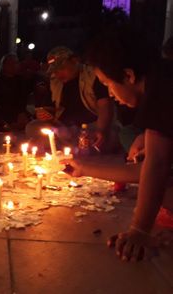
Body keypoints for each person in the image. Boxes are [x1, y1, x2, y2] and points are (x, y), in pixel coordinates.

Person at [63, 28, 173, 261]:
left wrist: (139, 231)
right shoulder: (160, 79)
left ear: (129, 76)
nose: (111, 94)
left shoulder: (163, 88)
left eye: (108, 83)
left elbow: (157, 166)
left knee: (162, 189)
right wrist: (84, 168)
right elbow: (150, 165)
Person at [26, 46, 116, 152]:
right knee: (32, 127)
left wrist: (101, 130)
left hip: (89, 126)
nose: (57, 74)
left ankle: (58, 143)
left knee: (104, 136)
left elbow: (105, 106)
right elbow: (50, 109)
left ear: (75, 61)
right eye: (55, 70)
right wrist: (44, 114)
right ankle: (69, 144)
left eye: (61, 69)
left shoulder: (92, 75)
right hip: (63, 128)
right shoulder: (55, 81)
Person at [0, 54, 31, 130]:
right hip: (2, 110)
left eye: (16, 63)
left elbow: (23, 99)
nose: (13, 66)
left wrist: (21, 112)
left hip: (18, 111)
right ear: (4, 65)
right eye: (10, 63)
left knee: (26, 118)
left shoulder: (21, 81)